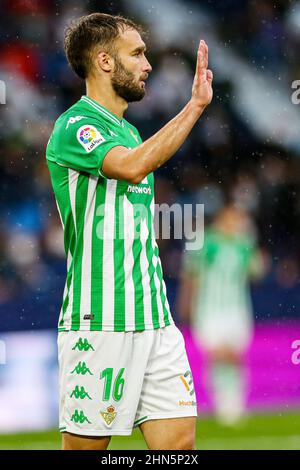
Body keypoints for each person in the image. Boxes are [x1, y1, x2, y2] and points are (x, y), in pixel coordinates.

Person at [46, 12, 213, 450]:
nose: (148, 64)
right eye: (137, 53)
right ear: (103, 61)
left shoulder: (130, 131)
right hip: (100, 321)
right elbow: (132, 165)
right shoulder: (75, 127)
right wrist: (194, 106)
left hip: (156, 321)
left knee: (178, 449)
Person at [178, 205, 264, 426]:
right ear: (222, 219)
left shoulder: (243, 245)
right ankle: (222, 404)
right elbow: (191, 274)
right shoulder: (207, 242)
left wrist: (254, 247)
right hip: (209, 309)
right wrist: (185, 302)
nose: (238, 223)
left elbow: (257, 272)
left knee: (235, 355)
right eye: (234, 218)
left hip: (237, 308)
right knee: (217, 354)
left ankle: (235, 404)